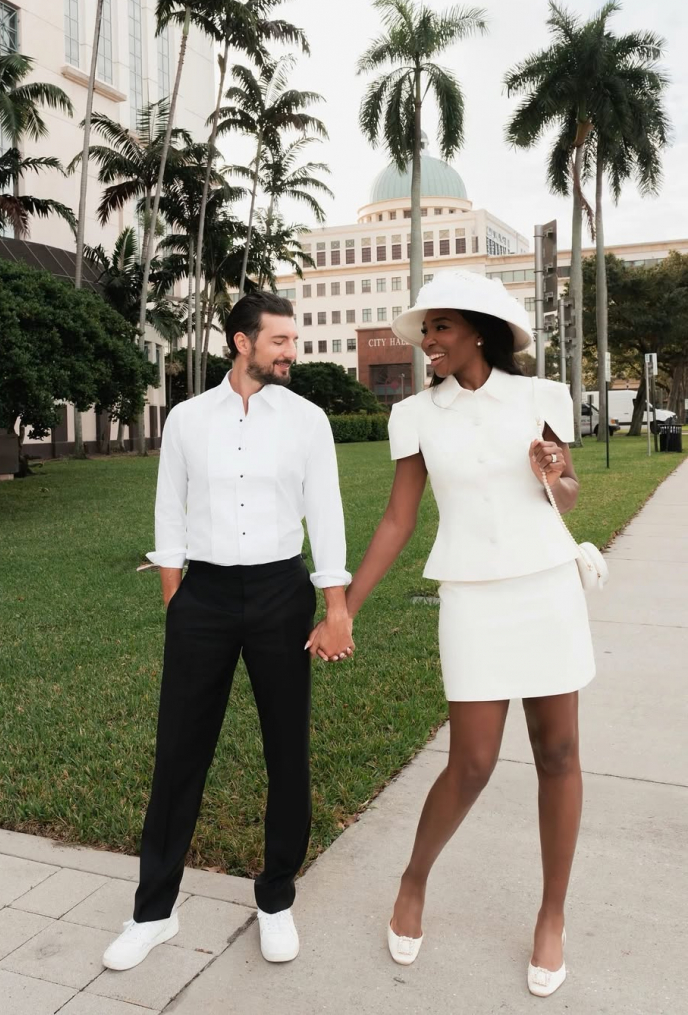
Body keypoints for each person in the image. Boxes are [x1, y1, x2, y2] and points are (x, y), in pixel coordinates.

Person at [307, 270, 595, 998]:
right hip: (470, 597)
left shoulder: (539, 398)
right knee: (469, 761)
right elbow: (398, 521)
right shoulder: (415, 415)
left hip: (545, 587)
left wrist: (553, 473)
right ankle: (412, 879)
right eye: (425, 330)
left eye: (438, 328)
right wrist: (344, 606)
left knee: (558, 751)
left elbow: (563, 493)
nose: (426, 341)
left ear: (476, 330)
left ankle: (551, 913)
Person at [103, 291, 355, 973]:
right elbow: (169, 509)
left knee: (286, 751)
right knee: (178, 753)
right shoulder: (187, 420)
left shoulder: (305, 421)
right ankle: (153, 911)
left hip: (280, 590)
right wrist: (174, 597)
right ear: (241, 342)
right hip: (204, 597)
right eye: (279, 341)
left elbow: (324, 511)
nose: (290, 353)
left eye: (291, 341)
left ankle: (275, 899)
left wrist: (335, 607)